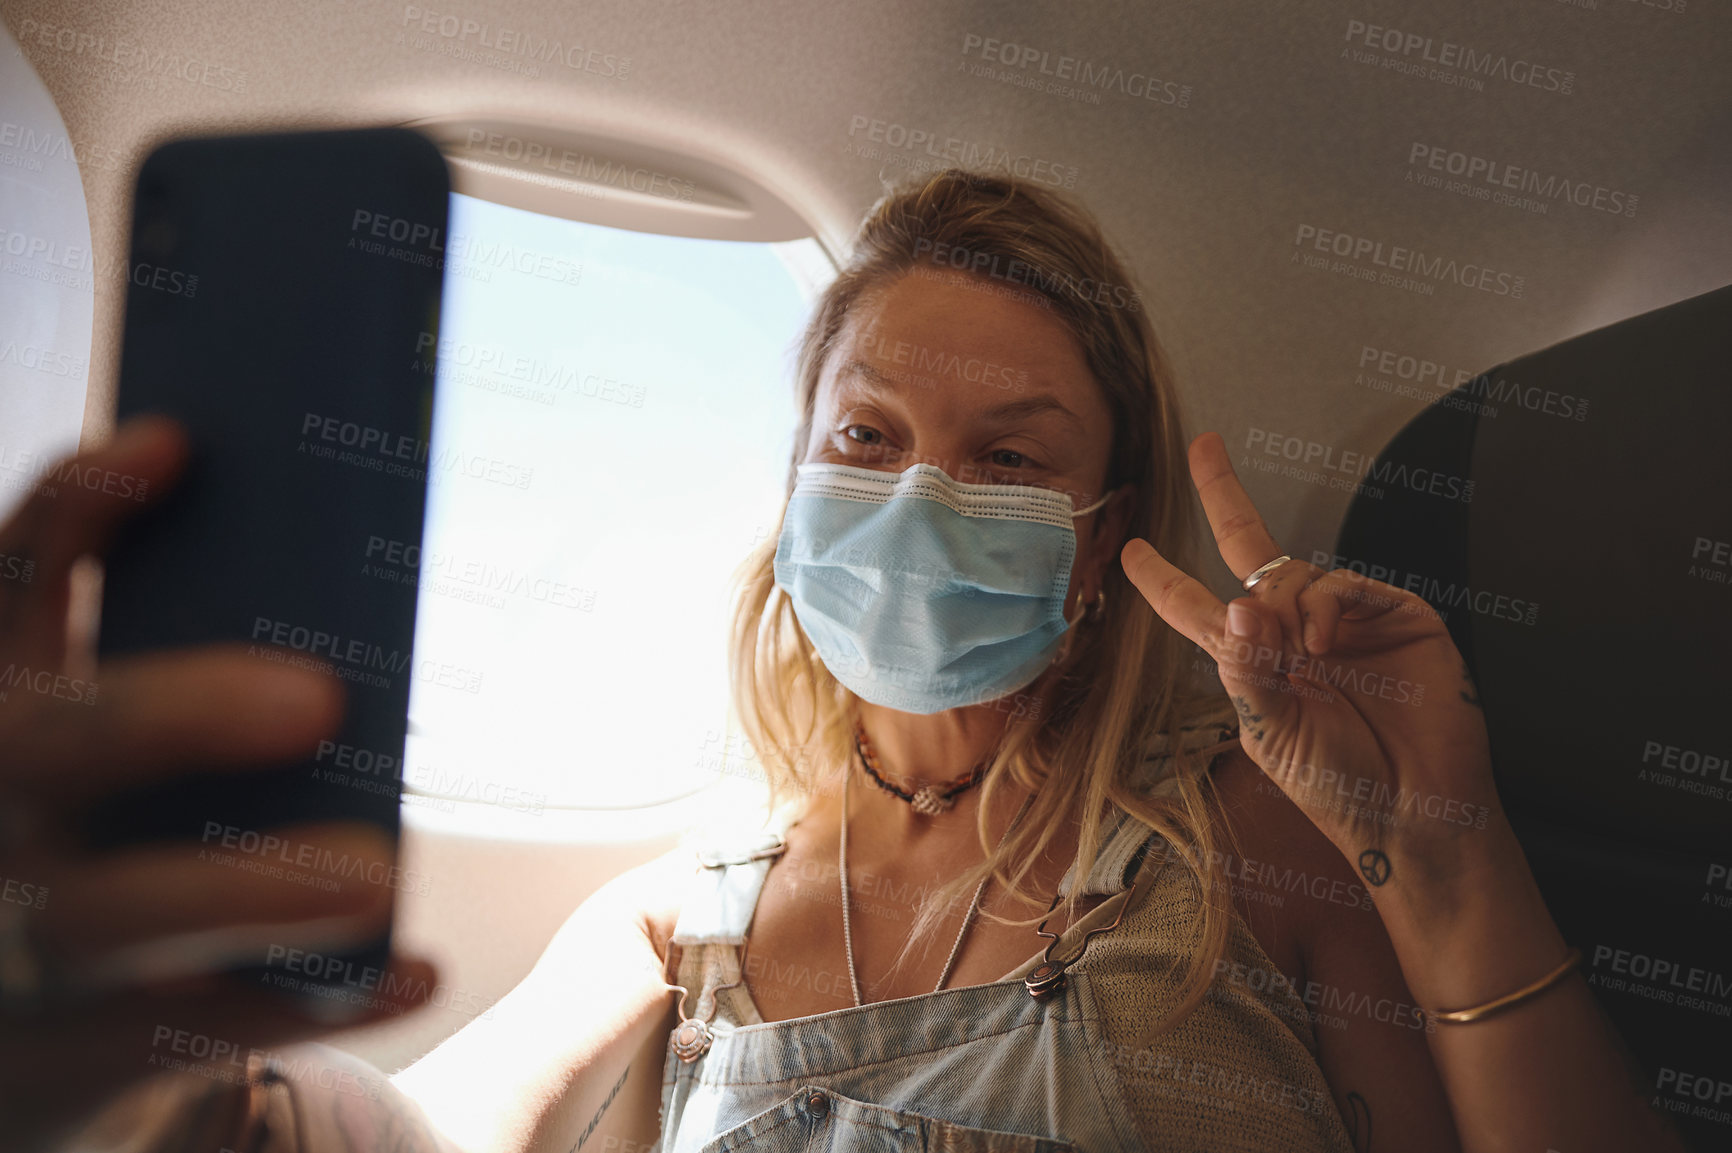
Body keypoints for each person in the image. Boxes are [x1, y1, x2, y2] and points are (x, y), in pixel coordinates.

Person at [1, 170, 1686, 1153]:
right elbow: (424, 1126)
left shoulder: (1250, 843)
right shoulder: (681, 919)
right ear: (796, 488)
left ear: (1102, 541)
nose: (918, 500)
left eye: (1009, 459)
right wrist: (170, 1085)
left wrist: (1444, 847)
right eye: (867, 436)